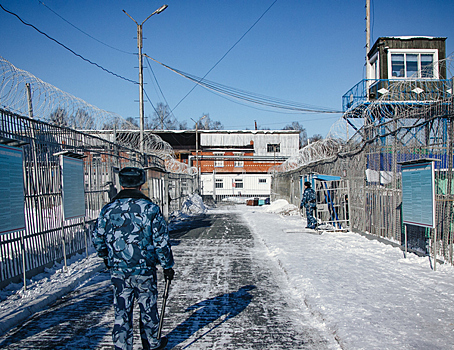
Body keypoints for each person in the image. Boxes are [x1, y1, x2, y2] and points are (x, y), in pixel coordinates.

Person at [92, 167, 175, 350]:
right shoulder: (150, 209)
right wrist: (167, 265)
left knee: (121, 311)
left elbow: (98, 238)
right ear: (141, 183)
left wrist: (106, 256)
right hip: (144, 269)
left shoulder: (108, 210)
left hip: (119, 270)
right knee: (148, 309)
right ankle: (152, 344)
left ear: (121, 184)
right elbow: (161, 241)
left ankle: (122, 346)